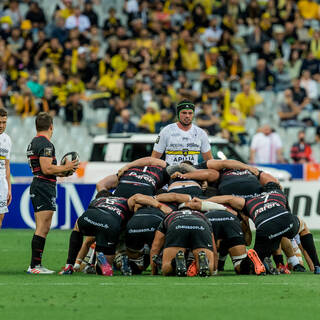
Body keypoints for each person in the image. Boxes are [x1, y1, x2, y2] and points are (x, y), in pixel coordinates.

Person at [26, 112, 79, 274]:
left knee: (41, 227)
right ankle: (35, 266)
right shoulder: (45, 144)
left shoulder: (33, 142)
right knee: (43, 227)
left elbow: (46, 170)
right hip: (43, 186)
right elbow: (47, 168)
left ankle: (35, 265)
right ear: (51, 127)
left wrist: (63, 172)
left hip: (39, 183)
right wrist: (67, 167)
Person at [60, 190, 132, 276]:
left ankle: (69, 266)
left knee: (78, 227)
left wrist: (77, 264)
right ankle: (105, 260)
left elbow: (86, 243)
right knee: (105, 270)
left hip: (91, 216)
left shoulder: (96, 201)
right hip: (111, 224)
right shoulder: (125, 201)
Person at [152, 100, 213, 165]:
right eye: (184, 113)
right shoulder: (166, 131)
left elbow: (209, 160)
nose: (187, 116)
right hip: (170, 172)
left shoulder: (201, 133)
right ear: (178, 114)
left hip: (193, 172)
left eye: (190, 113)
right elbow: (154, 158)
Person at [0, 108, 11, 228]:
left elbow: (7, 165)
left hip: (2, 184)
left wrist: (9, 188)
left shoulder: (7, 140)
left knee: (0, 217)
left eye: (4, 122)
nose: (2, 125)